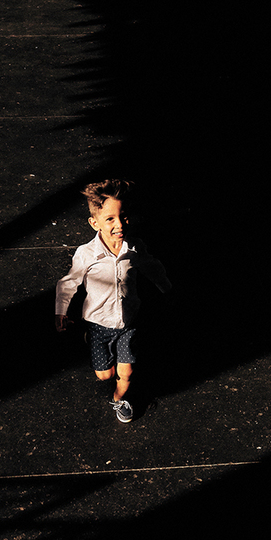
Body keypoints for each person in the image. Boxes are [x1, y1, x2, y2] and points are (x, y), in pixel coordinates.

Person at [55, 180, 171, 423]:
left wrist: (165, 287)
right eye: (110, 219)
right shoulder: (87, 254)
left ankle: (120, 401)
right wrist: (61, 311)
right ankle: (93, 345)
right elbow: (68, 283)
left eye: (124, 216)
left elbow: (152, 267)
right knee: (104, 375)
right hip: (99, 325)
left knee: (126, 373)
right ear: (94, 223)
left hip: (129, 323)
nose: (119, 225)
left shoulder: (135, 247)